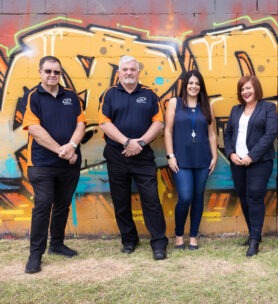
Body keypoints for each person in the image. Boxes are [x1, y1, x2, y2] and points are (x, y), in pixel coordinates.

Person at [98, 55, 168, 260]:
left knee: (151, 200)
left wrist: (141, 143)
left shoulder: (149, 94)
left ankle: (159, 243)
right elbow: (104, 122)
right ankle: (129, 240)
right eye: (125, 69)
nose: (129, 72)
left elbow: (159, 123)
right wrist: (127, 143)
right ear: (118, 73)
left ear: (138, 72)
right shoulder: (109, 94)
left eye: (132, 69)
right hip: (116, 155)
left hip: (143, 155)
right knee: (121, 201)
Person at [22, 56, 86, 274]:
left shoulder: (71, 96)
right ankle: (35, 254)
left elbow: (81, 123)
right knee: (43, 205)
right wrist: (63, 151)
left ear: (61, 74)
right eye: (48, 71)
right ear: (40, 72)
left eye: (56, 72)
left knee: (62, 204)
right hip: (42, 164)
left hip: (70, 164)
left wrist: (73, 145)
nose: (52, 75)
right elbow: (34, 130)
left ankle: (57, 245)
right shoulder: (33, 97)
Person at [223, 75, 278, 256]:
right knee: (244, 197)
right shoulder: (236, 110)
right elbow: (228, 134)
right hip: (237, 162)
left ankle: (254, 240)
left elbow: (270, 134)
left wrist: (251, 156)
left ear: (256, 88)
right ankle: (253, 234)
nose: (245, 92)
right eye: (242, 89)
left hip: (259, 162)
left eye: (248, 88)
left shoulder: (268, 108)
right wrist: (231, 154)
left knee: (254, 197)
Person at [164, 70, 217, 250]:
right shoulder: (174, 103)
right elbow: (168, 131)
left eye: (197, 83)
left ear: (201, 86)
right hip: (181, 159)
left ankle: (193, 235)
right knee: (185, 197)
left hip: (202, 158)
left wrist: (215, 156)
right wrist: (170, 156)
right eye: (190, 83)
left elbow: (211, 134)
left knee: (198, 197)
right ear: (185, 85)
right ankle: (179, 234)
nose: (193, 86)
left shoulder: (207, 106)